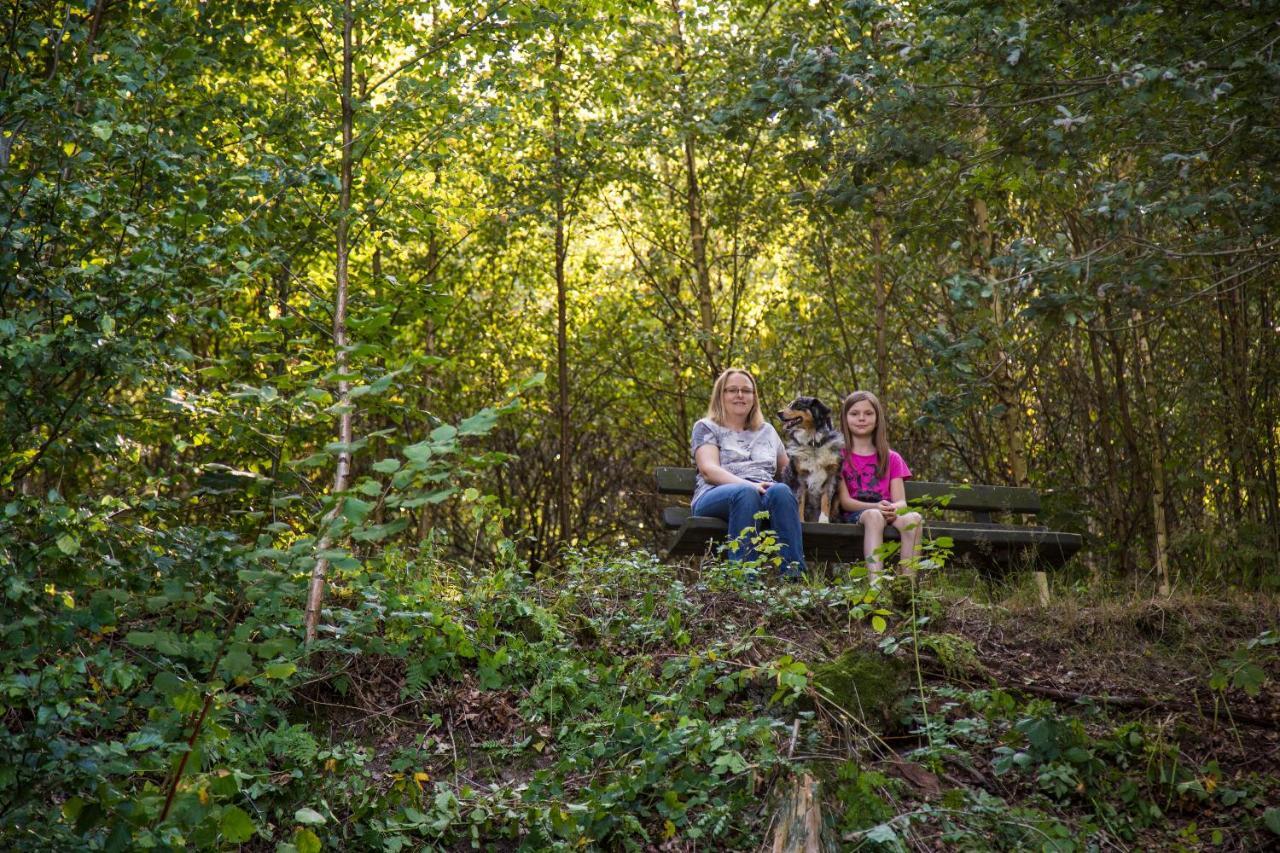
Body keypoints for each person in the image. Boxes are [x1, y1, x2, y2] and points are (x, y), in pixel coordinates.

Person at [690, 368, 806, 578]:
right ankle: (744, 580)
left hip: (761, 494)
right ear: (721, 395)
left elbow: (790, 474)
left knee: (781, 491)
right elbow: (708, 470)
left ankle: (794, 578)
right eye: (732, 390)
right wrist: (749, 485)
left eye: (746, 390)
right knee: (745, 494)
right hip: (716, 495)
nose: (740, 395)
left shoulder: (767, 431)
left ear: (754, 397)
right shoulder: (706, 427)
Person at [837, 390, 924, 581]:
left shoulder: (891, 457)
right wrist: (876, 507)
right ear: (845, 418)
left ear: (877, 419)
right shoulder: (838, 456)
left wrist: (892, 508)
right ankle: (875, 587)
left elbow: (901, 502)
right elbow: (845, 502)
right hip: (857, 514)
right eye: (854, 413)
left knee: (914, 519)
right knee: (874, 516)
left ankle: (906, 588)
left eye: (868, 413)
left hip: (887, 511)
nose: (861, 418)